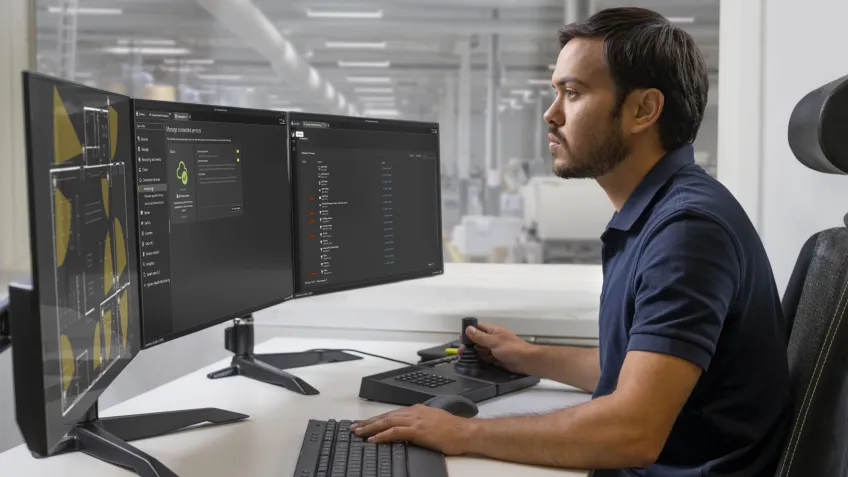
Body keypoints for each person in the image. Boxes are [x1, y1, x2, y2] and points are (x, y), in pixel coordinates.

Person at [350, 6, 791, 477]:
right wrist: (530, 358)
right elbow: (640, 371)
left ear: (643, 109)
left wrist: (461, 433)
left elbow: (631, 431)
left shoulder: (687, 231)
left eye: (573, 93)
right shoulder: (658, 211)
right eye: (555, 91)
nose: (551, 113)